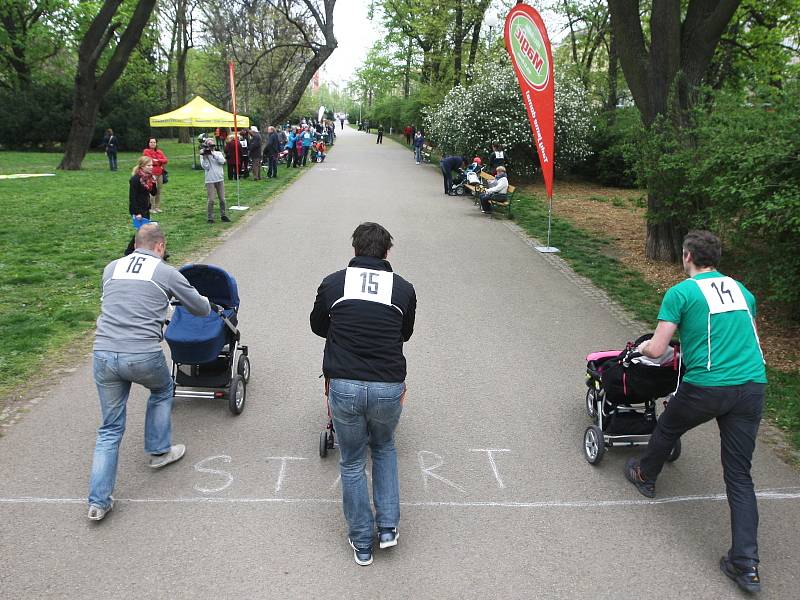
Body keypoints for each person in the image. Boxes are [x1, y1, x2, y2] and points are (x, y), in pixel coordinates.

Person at [624, 230, 767, 594]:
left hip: (708, 386)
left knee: (669, 427)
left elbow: (657, 349)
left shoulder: (682, 292)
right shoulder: (742, 291)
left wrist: (638, 352)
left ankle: (645, 474)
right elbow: (748, 337)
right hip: (751, 386)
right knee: (739, 475)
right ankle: (745, 563)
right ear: (716, 257)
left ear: (687, 255)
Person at [87, 223, 212, 522]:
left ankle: (98, 502)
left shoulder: (111, 268)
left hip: (103, 352)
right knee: (162, 388)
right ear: (159, 246)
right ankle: (159, 450)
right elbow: (200, 308)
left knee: (110, 429)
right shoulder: (164, 271)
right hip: (141, 353)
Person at [310, 222, 416, 567]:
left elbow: (318, 326)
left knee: (353, 460)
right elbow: (405, 333)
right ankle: (387, 527)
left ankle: (361, 541)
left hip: (344, 383)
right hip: (387, 384)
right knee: (383, 448)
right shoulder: (402, 288)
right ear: (387, 252)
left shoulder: (333, 282)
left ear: (355, 250)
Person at [125, 156, 156, 255]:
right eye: (149, 165)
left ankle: (143, 250)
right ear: (142, 166)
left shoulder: (149, 178)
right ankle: (130, 250)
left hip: (146, 208)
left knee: (144, 231)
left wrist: (154, 183)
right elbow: (132, 198)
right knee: (143, 230)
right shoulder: (135, 179)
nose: (151, 167)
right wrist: (137, 212)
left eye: (152, 165)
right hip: (138, 209)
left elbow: (154, 193)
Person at [200, 137, 230, 223]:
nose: (211, 147)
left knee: (222, 199)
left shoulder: (218, 153)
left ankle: (223, 215)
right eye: (209, 145)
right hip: (210, 180)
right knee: (211, 200)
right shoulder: (203, 155)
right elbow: (206, 167)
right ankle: (210, 218)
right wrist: (205, 157)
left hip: (219, 179)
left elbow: (223, 161)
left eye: (212, 145)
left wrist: (213, 154)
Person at [142, 138, 168, 214]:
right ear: (148, 143)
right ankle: (151, 208)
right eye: (151, 142)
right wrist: (158, 161)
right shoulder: (146, 151)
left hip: (160, 173)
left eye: (154, 142)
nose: (153, 143)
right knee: (152, 191)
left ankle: (157, 207)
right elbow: (149, 161)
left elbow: (165, 160)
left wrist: (157, 160)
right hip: (151, 174)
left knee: (159, 191)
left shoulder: (159, 151)